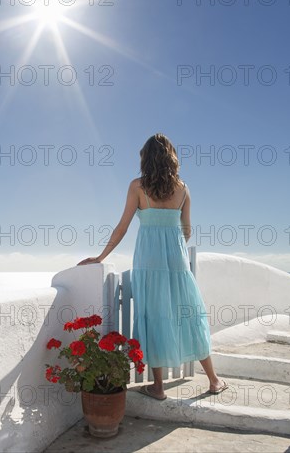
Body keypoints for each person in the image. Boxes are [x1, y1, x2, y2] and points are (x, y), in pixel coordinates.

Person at [78, 133, 227, 399]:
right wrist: (174, 246)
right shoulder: (183, 189)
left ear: (146, 159)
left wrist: (101, 257)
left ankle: (158, 387)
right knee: (190, 316)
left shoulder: (137, 187)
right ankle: (214, 381)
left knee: (153, 316)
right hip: (177, 263)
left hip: (148, 261)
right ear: (171, 158)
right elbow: (187, 231)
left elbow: (122, 228)